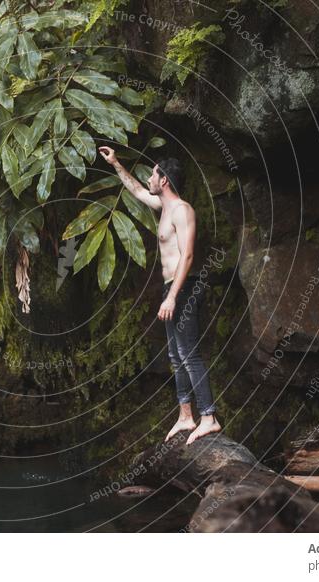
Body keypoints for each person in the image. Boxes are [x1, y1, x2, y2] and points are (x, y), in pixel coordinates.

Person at [98, 146, 222, 444]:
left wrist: (172, 297)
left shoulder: (183, 210)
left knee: (189, 354)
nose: (149, 179)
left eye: (153, 174)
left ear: (164, 180)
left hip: (186, 286)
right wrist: (115, 163)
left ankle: (209, 417)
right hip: (172, 287)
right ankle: (185, 416)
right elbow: (138, 190)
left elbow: (188, 255)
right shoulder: (164, 207)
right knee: (175, 356)